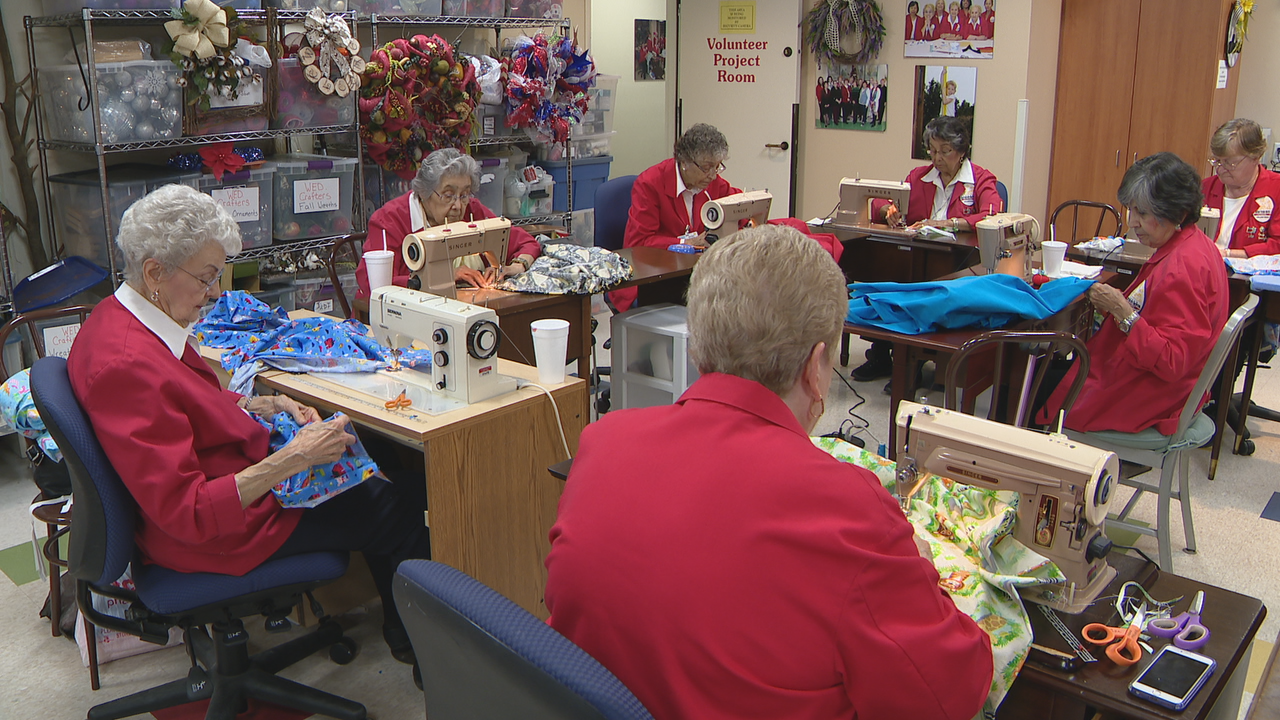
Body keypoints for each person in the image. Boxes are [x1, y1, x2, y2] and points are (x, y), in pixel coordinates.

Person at [546, 224, 993, 720]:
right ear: (816, 366)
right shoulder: (849, 510)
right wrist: (919, 571)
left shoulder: (605, 444)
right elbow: (950, 695)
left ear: (698, 347)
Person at [67, 184, 433, 667]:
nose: (215, 293)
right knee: (406, 503)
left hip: (229, 490)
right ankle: (421, 653)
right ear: (155, 272)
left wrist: (265, 403)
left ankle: (400, 628)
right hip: (218, 532)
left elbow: (185, 404)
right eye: (206, 278)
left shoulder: (125, 319)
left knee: (376, 460)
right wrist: (296, 456)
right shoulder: (125, 365)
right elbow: (188, 511)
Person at [1039, 152, 1229, 434]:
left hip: (1151, 394)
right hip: (1163, 384)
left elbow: (1171, 361)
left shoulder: (1182, 268)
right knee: (1047, 374)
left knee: (1026, 388)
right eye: (1132, 210)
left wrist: (1123, 312)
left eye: (1143, 213)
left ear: (1177, 213)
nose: (1133, 223)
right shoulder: (1194, 245)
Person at [853, 116, 1002, 383]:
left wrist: (951, 223)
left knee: (926, 286)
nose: (937, 158)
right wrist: (889, 210)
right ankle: (882, 353)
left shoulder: (980, 179)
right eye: (932, 150)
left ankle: (915, 360)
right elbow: (881, 202)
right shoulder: (919, 177)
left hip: (958, 262)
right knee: (886, 275)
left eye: (945, 151)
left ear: (961, 150)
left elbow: (992, 216)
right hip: (917, 254)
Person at [355, 148, 541, 300]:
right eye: (448, 195)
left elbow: (526, 243)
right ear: (425, 192)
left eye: (465, 194)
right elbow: (373, 285)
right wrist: (442, 277)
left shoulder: (472, 210)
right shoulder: (389, 220)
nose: (458, 206)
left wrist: (513, 267)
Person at [614, 123, 742, 310]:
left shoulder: (713, 183)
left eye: (717, 167)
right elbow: (640, 243)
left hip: (693, 271)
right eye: (707, 168)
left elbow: (736, 204)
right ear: (684, 163)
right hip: (656, 275)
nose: (713, 175)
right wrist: (683, 245)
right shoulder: (650, 184)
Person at [1202, 118, 1280, 258]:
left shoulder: (1276, 189)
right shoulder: (1204, 188)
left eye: (1230, 163)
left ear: (1256, 157)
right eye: (1217, 161)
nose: (1221, 169)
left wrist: (1228, 254)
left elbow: (1277, 246)